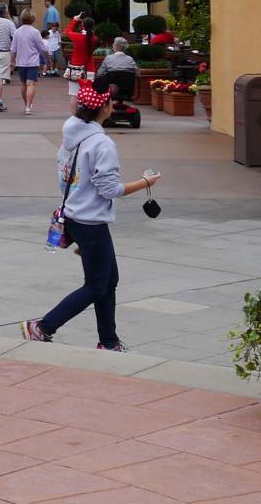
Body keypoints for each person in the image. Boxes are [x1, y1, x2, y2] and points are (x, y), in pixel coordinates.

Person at [21, 82, 161, 351]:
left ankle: (109, 342)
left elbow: (64, 179)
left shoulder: (70, 135)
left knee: (108, 281)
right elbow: (110, 190)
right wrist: (145, 182)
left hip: (76, 216)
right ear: (105, 108)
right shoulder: (102, 144)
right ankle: (43, 326)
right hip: (90, 220)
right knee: (97, 285)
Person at [11, 10, 47, 116]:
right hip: (32, 62)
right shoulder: (35, 32)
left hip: (20, 62)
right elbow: (41, 48)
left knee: (23, 84)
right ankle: (28, 107)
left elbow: (13, 49)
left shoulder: (17, 31)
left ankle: (26, 104)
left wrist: (11, 60)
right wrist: (46, 58)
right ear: (33, 18)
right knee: (30, 84)